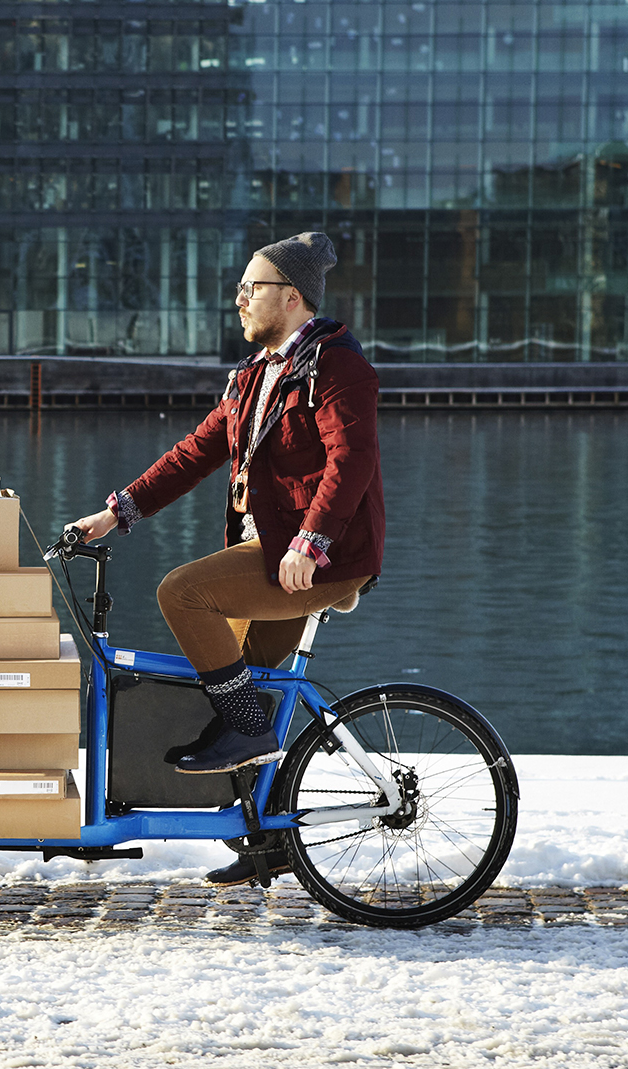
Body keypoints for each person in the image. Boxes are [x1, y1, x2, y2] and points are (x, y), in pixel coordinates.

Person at [65, 233, 384, 886]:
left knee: (184, 595)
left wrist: (310, 541)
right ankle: (266, 840)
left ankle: (247, 742)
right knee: (249, 694)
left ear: (292, 299)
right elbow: (195, 452)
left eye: (253, 288)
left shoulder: (336, 366)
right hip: (272, 550)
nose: (239, 299)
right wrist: (117, 511)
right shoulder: (254, 376)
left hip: (313, 556)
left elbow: (351, 460)